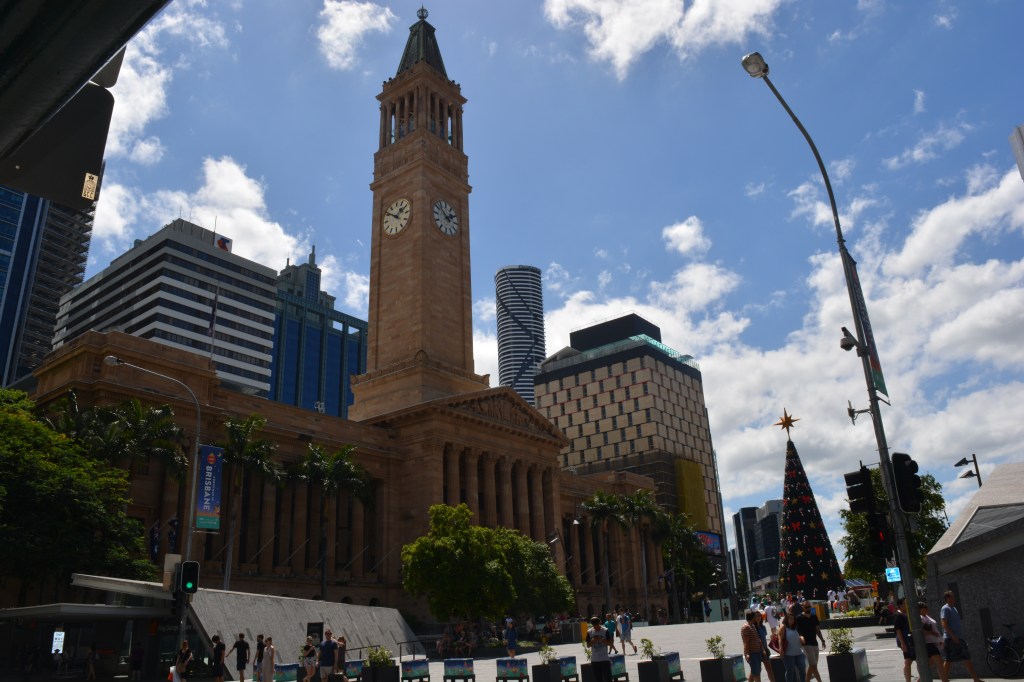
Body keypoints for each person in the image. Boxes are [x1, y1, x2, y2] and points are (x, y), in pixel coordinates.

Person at [940, 591, 982, 682]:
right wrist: (952, 635)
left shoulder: (954, 608)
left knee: (966, 657)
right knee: (948, 660)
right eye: (951, 596)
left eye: (953, 596)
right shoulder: (945, 608)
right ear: (947, 598)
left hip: (959, 638)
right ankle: (944, 680)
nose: (953, 598)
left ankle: (975, 679)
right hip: (950, 638)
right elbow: (944, 623)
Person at [919, 602, 949, 682]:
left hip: (934, 642)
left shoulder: (926, 616)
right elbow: (921, 630)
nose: (926, 609)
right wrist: (932, 633)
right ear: (920, 609)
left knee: (929, 664)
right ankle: (945, 680)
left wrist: (939, 639)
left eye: (926, 607)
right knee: (940, 662)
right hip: (929, 643)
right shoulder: (920, 618)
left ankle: (919, 680)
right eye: (924, 607)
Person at [795, 602, 826, 682]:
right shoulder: (799, 618)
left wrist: (822, 640)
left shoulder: (814, 616)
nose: (808, 608)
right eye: (806, 607)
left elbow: (817, 629)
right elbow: (798, 631)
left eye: (809, 607)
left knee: (812, 666)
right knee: (814, 666)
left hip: (815, 643)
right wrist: (801, 637)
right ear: (802, 607)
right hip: (806, 644)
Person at [778, 610, 806, 682]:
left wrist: (801, 637)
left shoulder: (795, 627)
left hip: (798, 652)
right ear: (786, 619)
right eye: (790, 618)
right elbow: (780, 638)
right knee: (790, 671)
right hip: (788, 654)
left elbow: (799, 635)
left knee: (802, 669)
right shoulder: (784, 627)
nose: (791, 620)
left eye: (793, 618)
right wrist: (781, 649)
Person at [586, 617, 613, 682]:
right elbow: (588, 645)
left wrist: (602, 640)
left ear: (599, 623)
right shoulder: (589, 632)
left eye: (597, 625)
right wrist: (593, 641)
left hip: (605, 659)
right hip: (594, 660)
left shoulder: (605, 630)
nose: (596, 627)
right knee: (598, 679)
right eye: (594, 626)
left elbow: (610, 644)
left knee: (608, 679)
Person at [893, 599, 914, 682]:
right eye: (905, 604)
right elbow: (898, 630)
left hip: (909, 640)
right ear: (900, 605)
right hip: (905, 641)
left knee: (909, 661)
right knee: (908, 660)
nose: (907, 605)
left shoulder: (906, 614)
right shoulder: (899, 615)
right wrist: (902, 643)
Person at [754, 609, 777, 682]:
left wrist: (772, 637)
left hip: (765, 649)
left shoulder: (762, 627)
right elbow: (757, 640)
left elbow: (764, 637)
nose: (758, 617)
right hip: (757, 651)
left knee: (769, 669)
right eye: (756, 616)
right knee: (755, 671)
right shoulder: (753, 628)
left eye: (759, 616)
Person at [741, 610, 763, 682]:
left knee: (755, 672)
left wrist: (762, 649)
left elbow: (757, 638)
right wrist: (747, 653)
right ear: (753, 617)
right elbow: (746, 642)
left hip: (757, 652)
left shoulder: (752, 626)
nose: (757, 618)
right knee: (756, 673)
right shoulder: (746, 627)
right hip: (752, 653)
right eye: (755, 616)